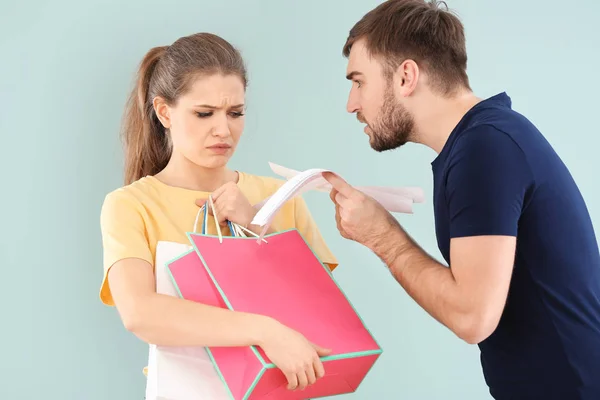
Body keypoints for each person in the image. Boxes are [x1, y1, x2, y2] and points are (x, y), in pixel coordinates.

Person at [322, 1, 600, 399]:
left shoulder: (484, 148)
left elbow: (473, 317)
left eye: (359, 81)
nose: (351, 103)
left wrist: (381, 236)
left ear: (406, 76)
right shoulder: (482, 141)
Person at [99, 32, 338, 394]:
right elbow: (140, 313)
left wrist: (259, 229)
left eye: (235, 113)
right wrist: (264, 330)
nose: (223, 130)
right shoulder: (132, 205)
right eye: (204, 113)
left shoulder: (279, 197)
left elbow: (321, 310)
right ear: (164, 112)